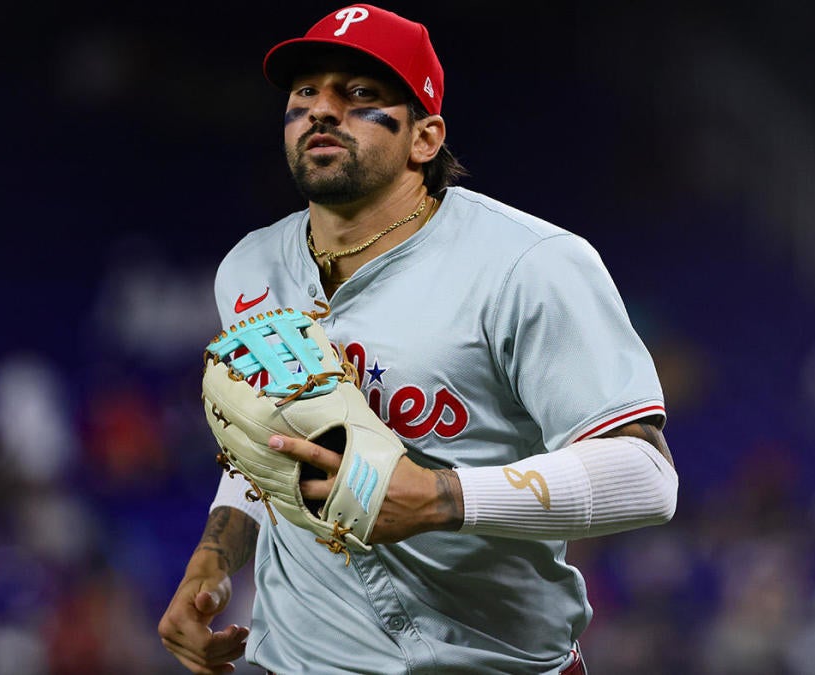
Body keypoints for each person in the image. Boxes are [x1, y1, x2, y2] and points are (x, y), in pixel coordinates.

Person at [158, 5, 679, 674]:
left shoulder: (529, 264)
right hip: (299, 658)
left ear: (425, 137)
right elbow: (272, 439)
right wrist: (214, 553)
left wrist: (441, 496)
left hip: (491, 659)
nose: (322, 109)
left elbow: (645, 476)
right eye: (305, 93)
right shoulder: (249, 269)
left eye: (360, 94)